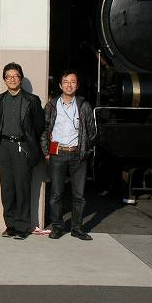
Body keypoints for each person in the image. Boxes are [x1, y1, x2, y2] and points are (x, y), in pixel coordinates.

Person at [41, 70, 97, 241]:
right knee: (56, 193)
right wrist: (46, 152)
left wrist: (85, 150)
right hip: (57, 153)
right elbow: (44, 130)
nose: (69, 85)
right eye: (66, 82)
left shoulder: (84, 106)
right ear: (60, 85)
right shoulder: (51, 106)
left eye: (73, 82)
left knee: (79, 195)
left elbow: (92, 131)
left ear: (77, 85)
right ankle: (57, 227)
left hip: (77, 155)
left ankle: (77, 228)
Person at [0, 62, 44, 240]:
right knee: (7, 188)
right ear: (4, 79)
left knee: (22, 187)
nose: (12, 79)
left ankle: (22, 226)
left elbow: (39, 126)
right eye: (9, 76)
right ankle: (11, 225)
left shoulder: (32, 100)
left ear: (20, 78)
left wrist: (29, 144)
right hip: (4, 146)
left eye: (16, 76)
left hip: (23, 146)